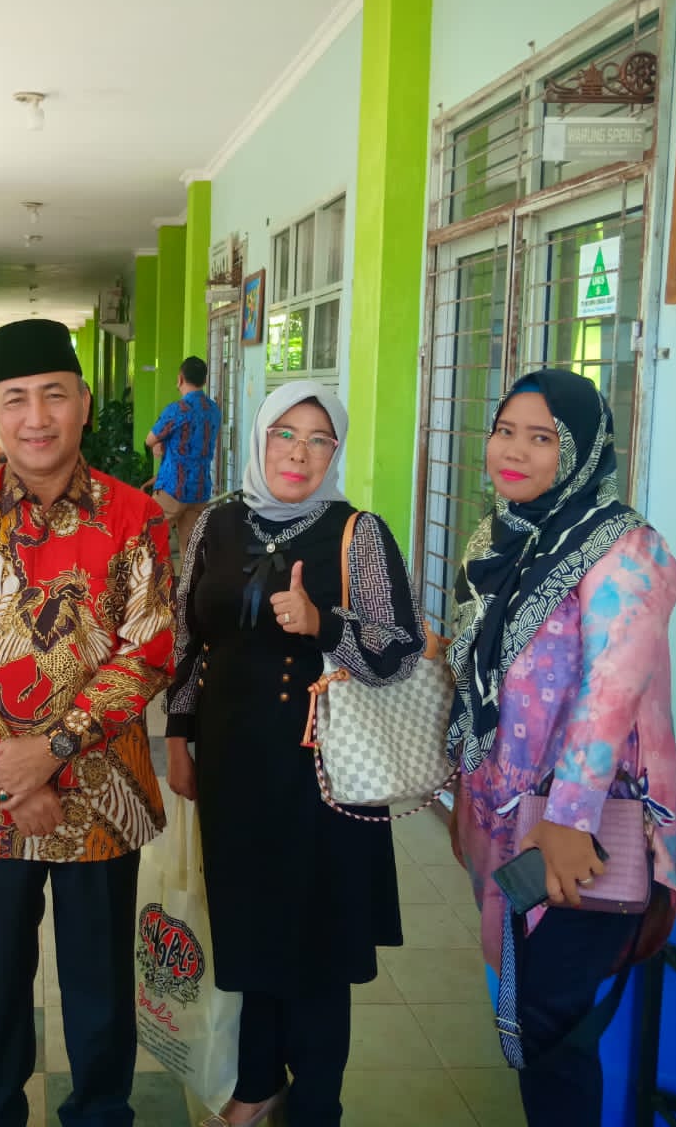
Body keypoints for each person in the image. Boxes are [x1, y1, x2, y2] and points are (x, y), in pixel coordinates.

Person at [0, 318, 174, 1127]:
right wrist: (11, 764)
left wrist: (51, 750)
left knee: (100, 984)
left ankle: (100, 1113)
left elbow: (148, 652)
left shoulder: (135, 516)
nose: (35, 418)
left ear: (83, 403)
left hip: (103, 797)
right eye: (15, 398)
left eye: (53, 395)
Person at [164, 380, 424, 1127]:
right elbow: (188, 640)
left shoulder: (358, 533)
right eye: (285, 434)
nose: (298, 453)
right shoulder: (216, 524)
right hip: (233, 762)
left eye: (318, 440)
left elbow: (398, 652)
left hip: (323, 770)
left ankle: (314, 1103)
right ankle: (256, 1084)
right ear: (259, 438)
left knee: (317, 939)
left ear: (334, 452)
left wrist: (323, 624)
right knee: (249, 924)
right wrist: (179, 736)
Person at [445, 370, 676, 1127]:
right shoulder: (501, 536)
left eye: (542, 438)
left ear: (581, 451)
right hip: (503, 813)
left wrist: (568, 819)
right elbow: (481, 667)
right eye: (505, 431)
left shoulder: (626, 549)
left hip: (585, 829)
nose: (514, 452)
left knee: (552, 1025)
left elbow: (609, 693)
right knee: (528, 1010)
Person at [146, 356, 221, 552]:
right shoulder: (214, 409)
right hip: (200, 490)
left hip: (173, 489)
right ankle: (187, 575)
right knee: (191, 551)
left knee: (146, 539)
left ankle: (155, 573)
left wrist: (159, 443)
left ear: (180, 379)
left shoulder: (177, 409)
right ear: (204, 380)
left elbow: (149, 439)